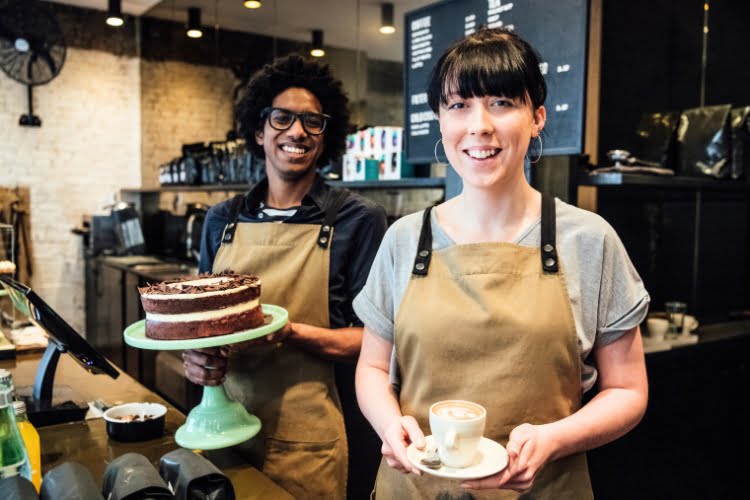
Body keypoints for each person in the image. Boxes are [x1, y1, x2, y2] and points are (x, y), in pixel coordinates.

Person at [354, 27, 649, 499]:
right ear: (440, 121)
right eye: (459, 106)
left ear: (537, 117)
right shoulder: (404, 239)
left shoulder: (590, 240)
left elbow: (629, 391)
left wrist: (554, 440)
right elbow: (371, 368)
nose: (479, 125)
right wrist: (390, 425)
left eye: (502, 103)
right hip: (413, 488)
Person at [182, 55, 387, 500]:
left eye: (312, 121)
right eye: (282, 118)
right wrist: (195, 360)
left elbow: (377, 341)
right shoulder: (222, 220)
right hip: (223, 428)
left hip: (310, 437)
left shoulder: (358, 219)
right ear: (259, 131)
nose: (297, 132)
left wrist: (286, 331)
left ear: (325, 136)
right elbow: (197, 326)